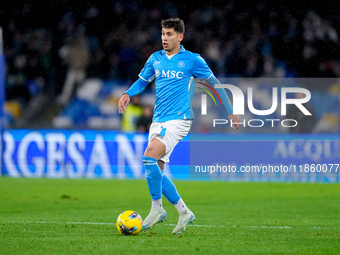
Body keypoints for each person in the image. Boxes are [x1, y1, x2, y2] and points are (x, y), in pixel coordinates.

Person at [118, 18, 240, 234]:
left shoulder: (193, 60)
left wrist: (230, 110)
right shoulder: (155, 58)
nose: (165, 38)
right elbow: (142, 82)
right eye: (163, 34)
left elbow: (215, 85)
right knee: (157, 171)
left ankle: (156, 209)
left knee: (148, 157)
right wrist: (128, 93)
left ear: (180, 37)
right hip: (158, 121)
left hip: (179, 119)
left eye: (170, 34)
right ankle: (183, 212)